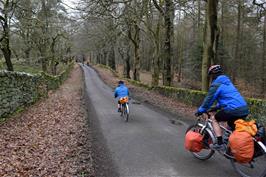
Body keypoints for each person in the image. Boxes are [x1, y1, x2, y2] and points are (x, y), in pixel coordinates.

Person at [195, 65, 249, 151]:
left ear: (212, 75)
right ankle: (233, 147)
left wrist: (200, 110)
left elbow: (208, 101)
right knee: (231, 125)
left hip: (233, 110)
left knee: (214, 118)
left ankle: (220, 143)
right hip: (244, 109)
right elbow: (228, 99)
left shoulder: (216, 85)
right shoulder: (228, 83)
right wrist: (216, 107)